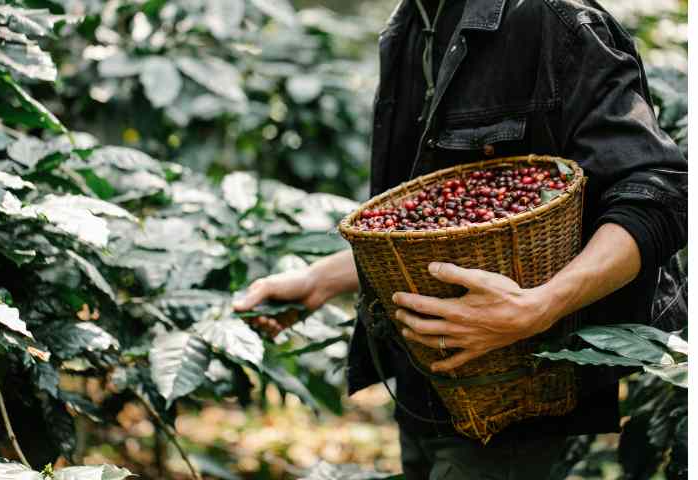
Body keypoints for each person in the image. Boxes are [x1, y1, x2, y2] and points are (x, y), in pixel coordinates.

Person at [233, 0, 687, 478]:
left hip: (516, 393)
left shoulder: (551, 19)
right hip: (425, 382)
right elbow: (429, 228)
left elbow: (656, 195)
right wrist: (318, 280)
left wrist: (541, 305)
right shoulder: (411, 24)